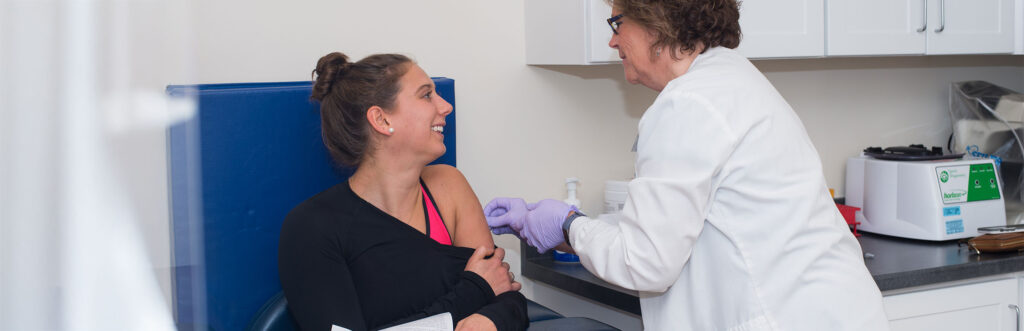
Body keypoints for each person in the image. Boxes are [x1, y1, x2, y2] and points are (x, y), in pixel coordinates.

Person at [485, 0, 890, 330]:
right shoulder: (728, 78)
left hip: (784, 316)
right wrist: (565, 226)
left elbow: (645, 262)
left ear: (656, 25)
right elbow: (675, 230)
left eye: (617, 21)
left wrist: (569, 225)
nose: (612, 41)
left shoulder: (688, 104)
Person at [279, 52, 528, 331]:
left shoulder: (449, 186)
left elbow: (505, 295)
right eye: (426, 95)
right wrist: (473, 291)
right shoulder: (312, 227)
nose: (445, 106)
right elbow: (484, 286)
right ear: (381, 120)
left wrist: (488, 321)